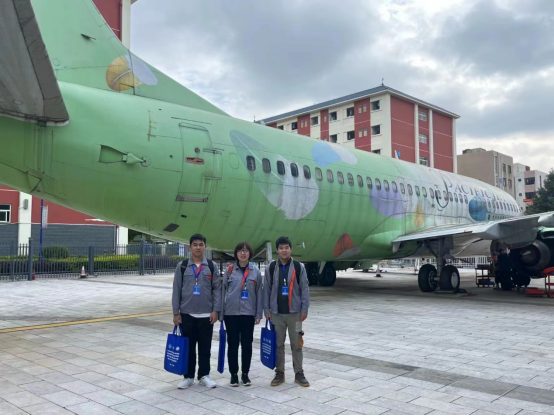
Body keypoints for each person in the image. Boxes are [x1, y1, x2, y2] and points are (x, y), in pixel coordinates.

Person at [172, 234, 221, 389]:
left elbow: (217, 290)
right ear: (190, 247)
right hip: (187, 314)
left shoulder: (212, 266)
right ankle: (188, 377)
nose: (198, 247)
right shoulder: (182, 266)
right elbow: (176, 289)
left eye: (201, 244)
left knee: (205, 348)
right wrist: (176, 312)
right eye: (195, 244)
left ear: (205, 247)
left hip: (206, 314)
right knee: (189, 348)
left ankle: (204, 375)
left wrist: (216, 310)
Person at [264, 237, 310, 388]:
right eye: (281, 248)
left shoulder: (299, 267)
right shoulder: (271, 267)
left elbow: (304, 288)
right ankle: (279, 373)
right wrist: (266, 309)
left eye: (286, 247)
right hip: (276, 314)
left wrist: (304, 309)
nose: (284, 250)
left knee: (297, 344)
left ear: (291, 249)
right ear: (277, 250)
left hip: (295, 314)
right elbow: (267, 289)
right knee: (278, 345)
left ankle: (299, 373)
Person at [221, 242, 263, 387]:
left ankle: (245, 374)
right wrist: (221, 313)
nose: (243, 253)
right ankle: (233, 374)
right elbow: (223, 291)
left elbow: (259, 294)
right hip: (231, 314)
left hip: (248, 314)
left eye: (245, 251)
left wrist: (258, 313)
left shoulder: (255, 272)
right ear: (236, 254)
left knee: (247, 345)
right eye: (240, 251)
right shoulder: (230, 270)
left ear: (250, 253)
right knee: (232, 345)